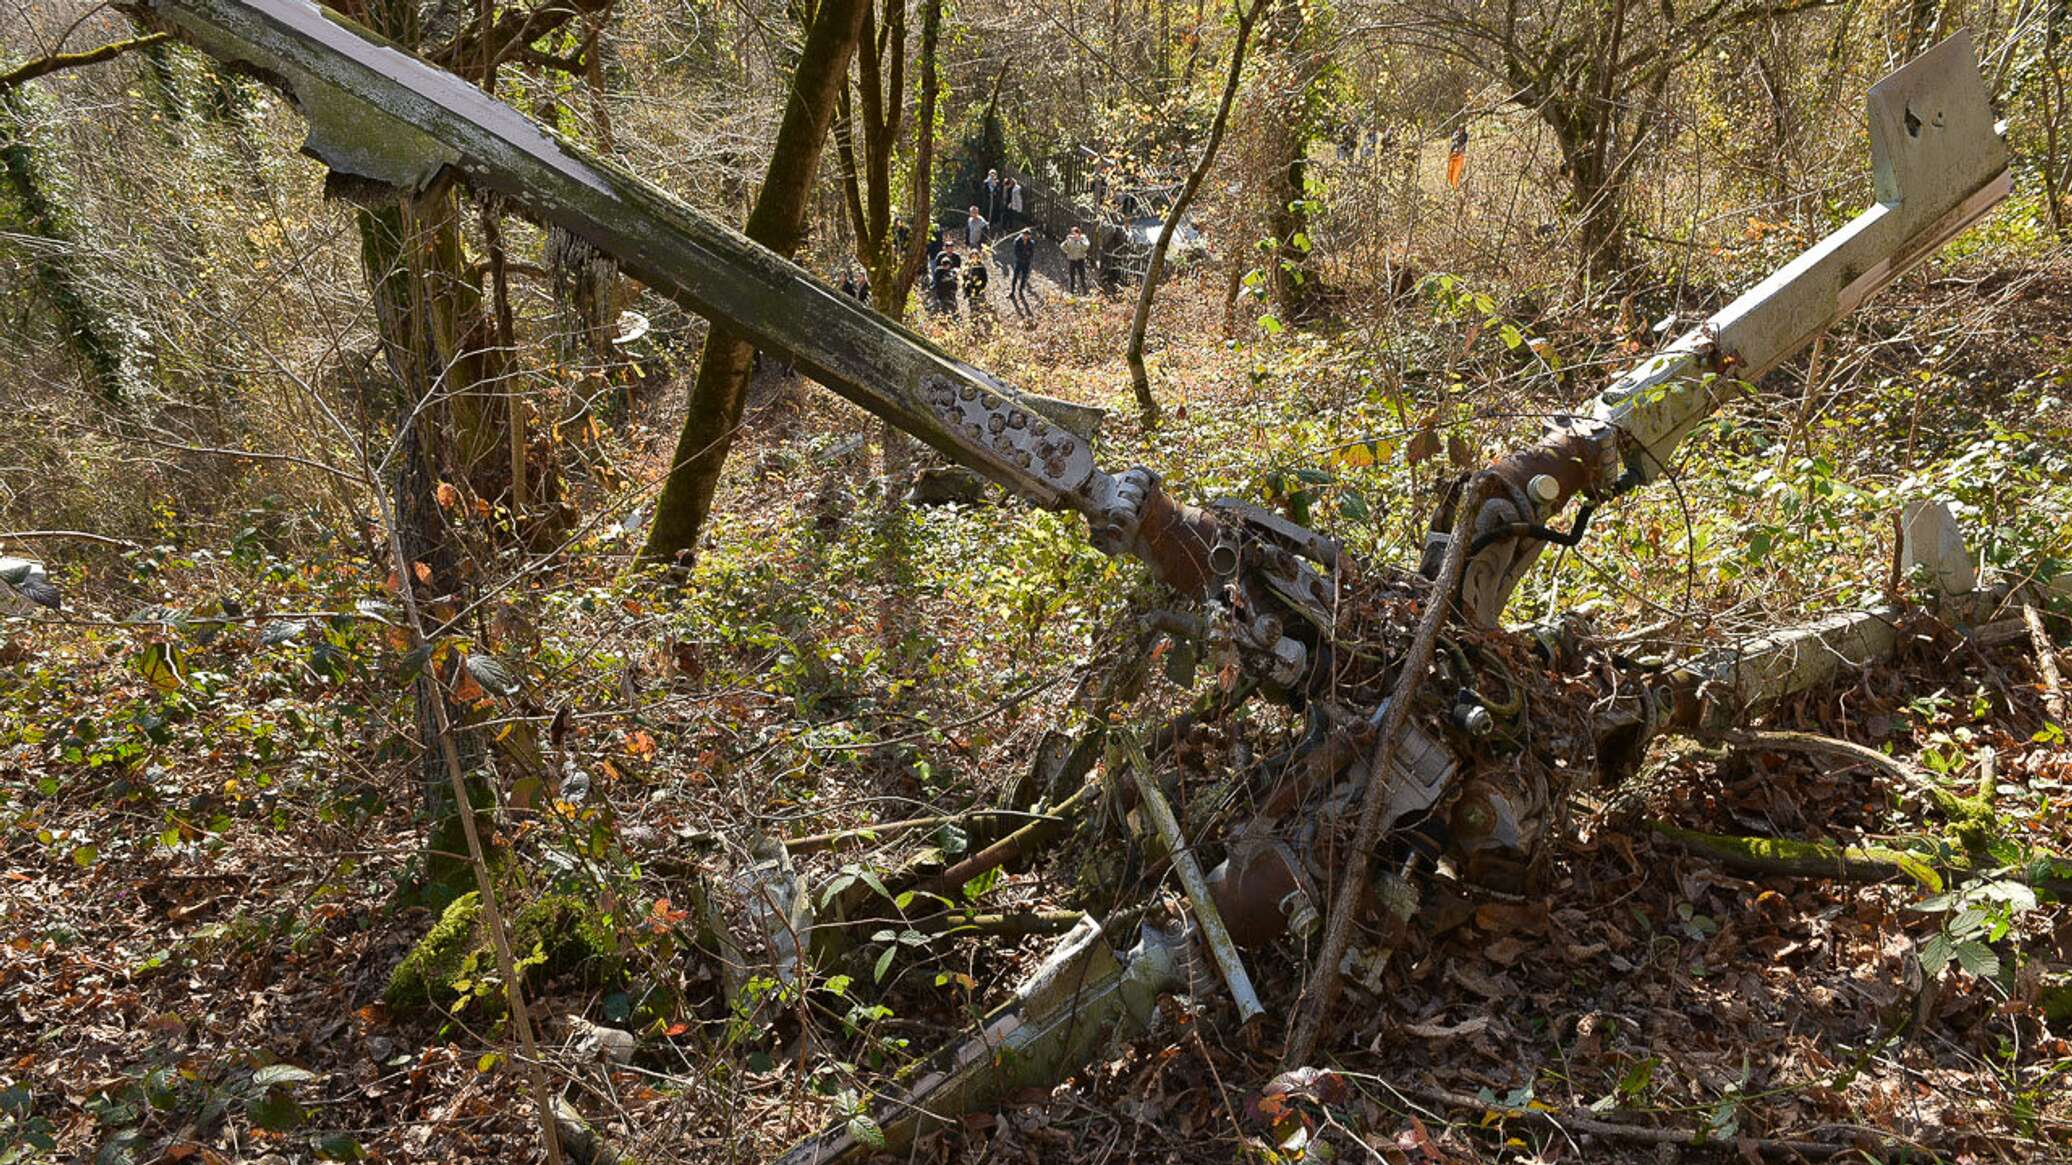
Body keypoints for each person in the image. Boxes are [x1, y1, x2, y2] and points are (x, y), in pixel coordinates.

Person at [1061, 226, 1090, 294]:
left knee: (1082, 276)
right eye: (1073, 233)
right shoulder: (1070, 239)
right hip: (1072, 260)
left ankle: (1084, 291)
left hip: (1080, 260)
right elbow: (1062, 247)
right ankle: (1071, 291)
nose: (1074, 235)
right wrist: (1067, 243)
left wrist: (1080, 240)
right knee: (1072, 276)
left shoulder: (1083, 238)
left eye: (1076, 233)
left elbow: (1086, 247)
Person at [1010, 229, 1036, 300]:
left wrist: (1027, 258)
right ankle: (1012, 291)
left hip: (1026, 262)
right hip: (1019, 261)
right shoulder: (1017, 241)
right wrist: (1023, 255)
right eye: (1024, 235)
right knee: (1015, 276)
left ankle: (1021, 290)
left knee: (1024, 277)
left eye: (1027, 235)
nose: (1025, 237)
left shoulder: (1031, 243)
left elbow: (1031, 253)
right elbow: (1016, 252)